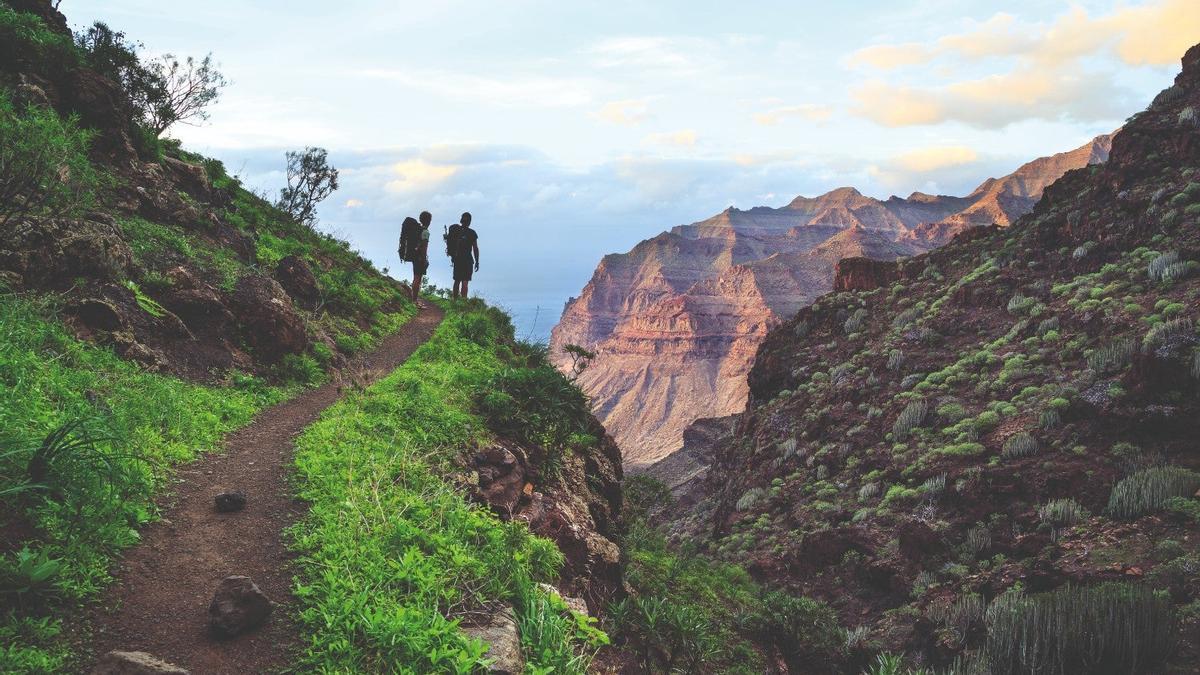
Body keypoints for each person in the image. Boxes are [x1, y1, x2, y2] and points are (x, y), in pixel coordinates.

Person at [398, 211, 432, 306]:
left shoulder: (418, 229)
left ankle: (414, 299)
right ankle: (414, 301)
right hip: (419, 258)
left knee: (415, 277)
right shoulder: (425, 232)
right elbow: (424, 248)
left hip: (414, 256)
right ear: (429, 221)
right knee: (418, 278)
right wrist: (424, 260)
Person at [445, 211, 479, 300]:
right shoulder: (472, 233)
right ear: (469, 221)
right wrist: (477, 261)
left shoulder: (455, 231)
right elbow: (475, 248)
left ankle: (454, 301)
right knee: (465, 282)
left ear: (461, 220)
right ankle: (463, 303)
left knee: (456, 280)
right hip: (467, 260)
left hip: (457, 259)